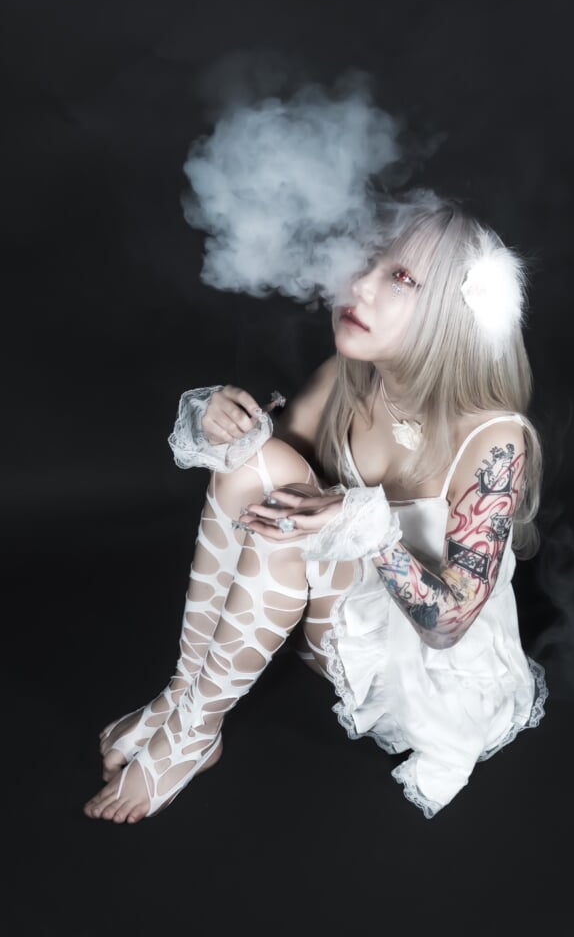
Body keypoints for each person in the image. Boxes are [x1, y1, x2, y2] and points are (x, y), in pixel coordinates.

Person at [83, 197, 548, 824]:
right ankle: (184, 700)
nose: (358, 285)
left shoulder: (493, 439)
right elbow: (258, 472)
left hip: (419, 673)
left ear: (452, 313)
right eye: (368, 262)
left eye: (400, 278)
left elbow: (446, 626)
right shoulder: (351, 376)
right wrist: (221, 422)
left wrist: (364, 526)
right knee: (256, 468)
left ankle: (192, 733)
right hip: (334, 630)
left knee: (283, 527)